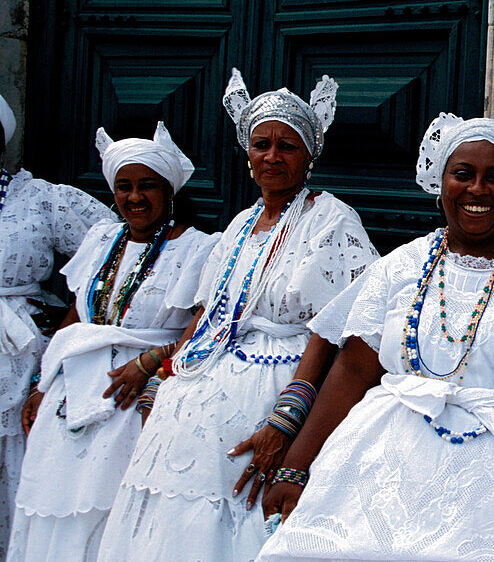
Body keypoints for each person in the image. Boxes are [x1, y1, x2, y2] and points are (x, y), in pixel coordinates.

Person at [257, 113, 494, 562]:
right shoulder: (400, 266)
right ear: (440, 184)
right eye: (463, 175)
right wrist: (296, 464)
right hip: (384, 472)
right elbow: (352, 369)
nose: (478, 190)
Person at [96, 69, 379, 561]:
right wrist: (163, 377)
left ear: (310, 154)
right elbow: (208, 315)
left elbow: (330, 330)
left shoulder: (332, 218)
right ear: (246, 154)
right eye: (261, 144)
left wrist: (288, 418)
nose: (272, 156)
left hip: (276, 387)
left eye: (287, 146)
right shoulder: (241, 224)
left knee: (242, 515)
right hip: (203, 386)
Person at [8, 122, 218, 560]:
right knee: (55, 505)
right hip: (72, 388)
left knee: (112, 511)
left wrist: (149, 364)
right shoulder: (101, 239)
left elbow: (204, 326)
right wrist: (41, 386)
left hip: (137, 396)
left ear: (169, 191)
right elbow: (76, 317)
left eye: (147, 186)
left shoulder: (199, 249)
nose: (135, 198)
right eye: (124, 187)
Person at [0, 93, 113, 554]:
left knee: (16, 456)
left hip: (18, 350)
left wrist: (70, 312)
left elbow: (116, 246)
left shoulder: (40, 199)